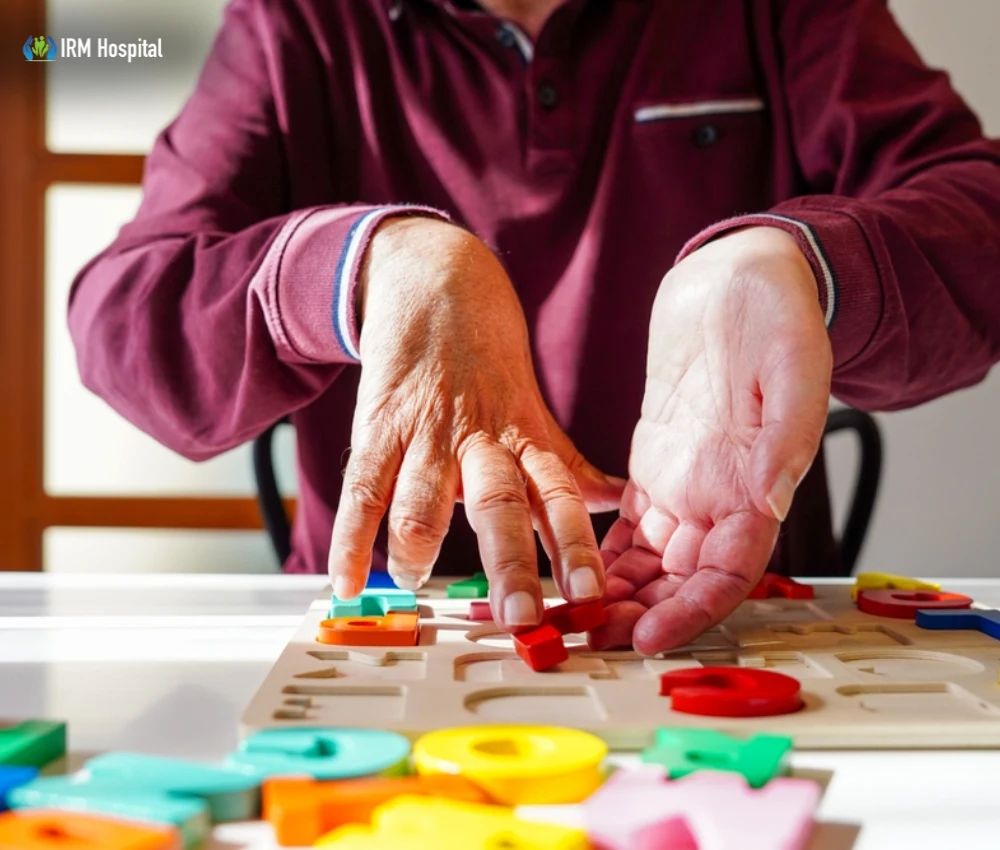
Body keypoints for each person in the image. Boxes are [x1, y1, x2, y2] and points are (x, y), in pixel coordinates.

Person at [69, 0, 1000, 656]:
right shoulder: (297, 22)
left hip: (737, 622)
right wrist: (361, 266)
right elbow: (122, 312)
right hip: (392, 635)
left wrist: (793, 258)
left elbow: (980, 219)